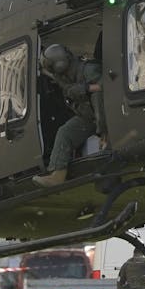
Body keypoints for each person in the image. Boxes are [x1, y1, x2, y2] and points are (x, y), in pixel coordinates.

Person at [35, 43, 105, 186]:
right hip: (88, 116)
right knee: (65, 133)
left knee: (108, 153)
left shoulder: (88, 69)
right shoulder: (66, 74)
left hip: (105, 114)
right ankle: (57, 175)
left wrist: (103, 131)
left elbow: (105, 87)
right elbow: (60, 81)